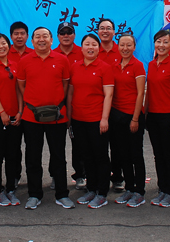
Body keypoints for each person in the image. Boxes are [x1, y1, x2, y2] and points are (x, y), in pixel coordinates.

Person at [17, 27, 74, 209]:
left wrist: (54, 104)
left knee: (58, 156)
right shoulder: (25, 61)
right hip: (31, 116)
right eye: (37, 37)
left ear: (51, 40)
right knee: (33, 156)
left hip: (57, 116)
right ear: (32, 41)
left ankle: (62, 194)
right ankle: (34, 194)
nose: (41, 39)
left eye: (45, 36)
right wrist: (34, 103)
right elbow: (21, 86)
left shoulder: (62, 60)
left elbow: (65, 85)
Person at [67, 34, 114, 209]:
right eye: (87, 44)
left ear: (98, 48)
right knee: (86, 156)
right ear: (82, 48)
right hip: (79, 119)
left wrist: (104, 118)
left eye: (94, 44)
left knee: (100, 156)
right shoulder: (75, 66)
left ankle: (102, 193)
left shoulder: (105, 68)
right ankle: (91, 189)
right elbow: (70, 93)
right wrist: (69, 118)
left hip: (97, 120)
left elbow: (109, 95)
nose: (90, 47)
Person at [0, 33, 24, 207]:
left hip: (15, 116)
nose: (1, 46)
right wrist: (2, 112)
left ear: (9, 45)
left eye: (4, 43)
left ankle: (10, 189)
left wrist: (20, 111)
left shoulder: (15, 64)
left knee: (12, 154)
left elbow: (19, 90)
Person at [145, 30, 170, 208]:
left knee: (169, 155)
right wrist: (145, 112)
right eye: (158, 41)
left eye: (165, 42)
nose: (161, 45)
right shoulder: (152, 64)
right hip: (153, 115)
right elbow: (150, 91)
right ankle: (162, 188)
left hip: (168, 115)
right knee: (158, 154)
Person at [109, 34, 146, 208]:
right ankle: (129, 188)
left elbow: (140, 93)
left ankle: (140, 191)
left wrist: (135, 118)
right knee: (123, 154)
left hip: (133, 115)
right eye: (122, 45)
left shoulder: (138, 65)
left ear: (134, 47)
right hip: (117, 116)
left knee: (135, 154)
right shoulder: (115, 65)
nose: (125, 48)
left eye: (129, 45)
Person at [53, 22, 86, 190]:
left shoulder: (83, 52)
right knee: (56, 144)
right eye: (62, 32)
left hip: (78, 104)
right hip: (56, 105)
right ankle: (55, 175)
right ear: (57, 36)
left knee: (79, 143)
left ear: (74, 35)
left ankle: (80, 174)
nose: (66, 35)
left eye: (69, 32)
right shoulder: (51, 54)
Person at [96, 18, 123, 191]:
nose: (105, 31)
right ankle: (101, 178)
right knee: (99, 146)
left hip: (119, 105)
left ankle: (118, 177)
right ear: (98, 31)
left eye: (108, 28)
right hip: (97, 106)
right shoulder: (93, 50)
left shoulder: (121, 50)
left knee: (117, 145)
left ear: (114, 32)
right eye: (102, 28)